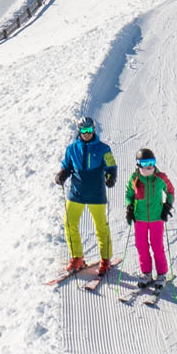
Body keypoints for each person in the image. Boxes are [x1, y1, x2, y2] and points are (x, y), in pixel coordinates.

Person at [55, 116, 117, 273]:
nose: (87, 134)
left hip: (96, 192)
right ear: (79, 131)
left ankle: (105, 259)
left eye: (89, 130)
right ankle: (77, 257)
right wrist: (62, 174)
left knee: (101, 226)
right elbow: (67, 165)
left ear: (93, 130)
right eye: (84, 130)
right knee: (69, 223)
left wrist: (111, 176)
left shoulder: (103, 148)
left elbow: (111, 165)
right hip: (77, 192)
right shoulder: (72, 149)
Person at [123, 149, 175, 284]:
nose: (149, 166)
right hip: (139, 217)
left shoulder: (160, 178)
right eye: (145, 163)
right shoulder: (134, 178)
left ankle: (162, 274)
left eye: (152, 162)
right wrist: (129, 207)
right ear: (138, 164)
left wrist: (167, 206)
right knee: (141, 246)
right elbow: (129, 194)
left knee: (157, 246)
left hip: (156, 217)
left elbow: (170, 191)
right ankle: (146, 273)